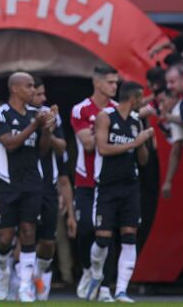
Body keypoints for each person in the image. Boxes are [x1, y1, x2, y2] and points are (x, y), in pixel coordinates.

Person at [81, 82, 153, 303]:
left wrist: (141, 144)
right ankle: (95, 275)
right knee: (103, 239)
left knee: (129, 236)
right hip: (107, 185)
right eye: (141, 99)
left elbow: (143, 160)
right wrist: (134, 143)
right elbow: (102, 148)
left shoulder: (135, 121)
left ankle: (121, 290)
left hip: (130, 186)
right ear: (134, 98)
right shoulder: (106, 116)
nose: (142, 103)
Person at [0, 72, 55, 302]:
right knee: (5, 237)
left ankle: (25, 285)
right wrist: (34, 126)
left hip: (32, 182)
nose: (32, 90)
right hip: (7, 182)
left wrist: (46, 129)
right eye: (29, 86)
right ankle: (5, 272)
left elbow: (43, 150)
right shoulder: (0, 113)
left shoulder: (36, 114)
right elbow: (9, 144)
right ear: (15, 89)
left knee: (29, 232)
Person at [71, 65, 119, 300]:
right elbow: (89, 144)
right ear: (97, 83)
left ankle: (105, 285)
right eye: (110, 82)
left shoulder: (117, 109)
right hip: (86, 180)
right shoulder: (81, 109)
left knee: (107, 233)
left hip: (109, 181)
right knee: (86, 228)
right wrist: (106, 131)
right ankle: (88, 270)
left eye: (116, 82)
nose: (114, 86)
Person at [29, 78, 75, 301]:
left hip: (47, 187)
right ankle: (22, 287)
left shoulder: (51, 115)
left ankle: (38, 277)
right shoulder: (11, 115)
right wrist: (36, 126)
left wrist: (49, 129)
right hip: (22, 185)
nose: (43, 98)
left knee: (48, 242)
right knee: (23, 236)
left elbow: (60, 147)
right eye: (38, 94)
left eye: (43, 93)